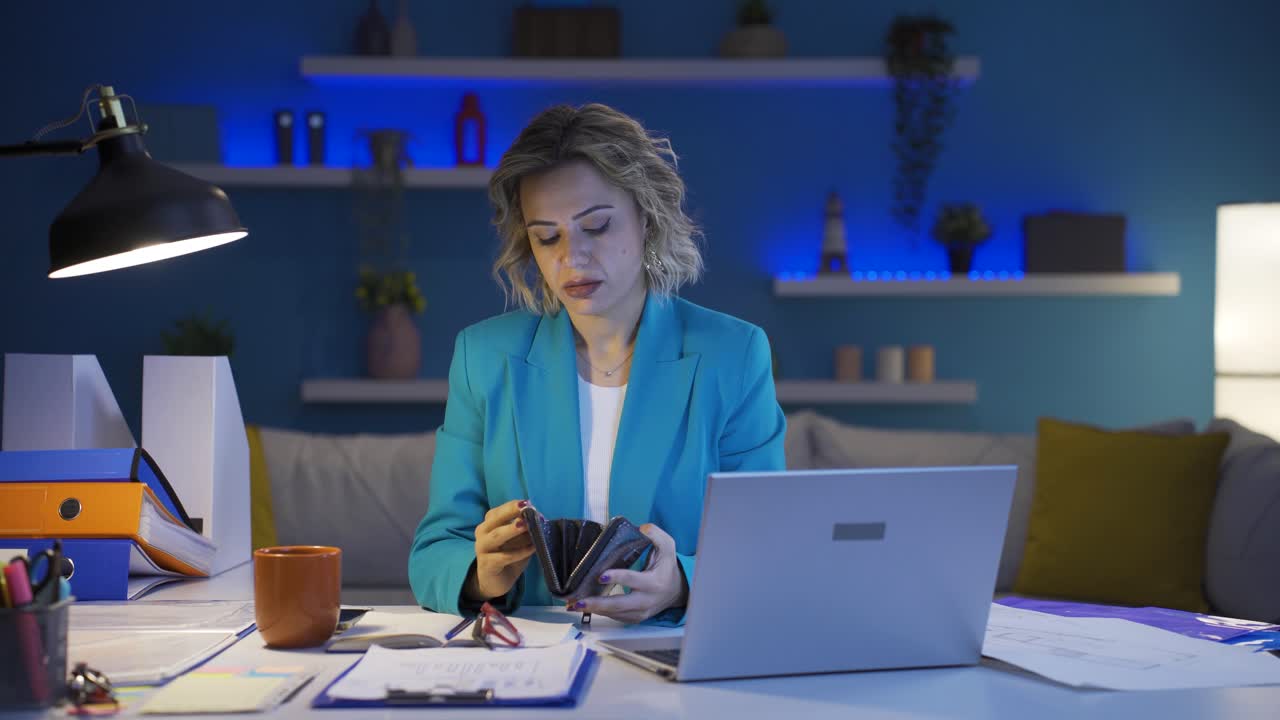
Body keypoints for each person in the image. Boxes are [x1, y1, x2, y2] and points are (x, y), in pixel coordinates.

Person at [408, 103, 785, 625]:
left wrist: (682, 583)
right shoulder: (484, 358)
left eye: (597, 227)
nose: (572, 258)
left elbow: (768, 552)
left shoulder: (733, 355)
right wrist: (480, 574)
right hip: (528, 663)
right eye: (547, 237)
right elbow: (433, 554)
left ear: (647, 218)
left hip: (672, 659)